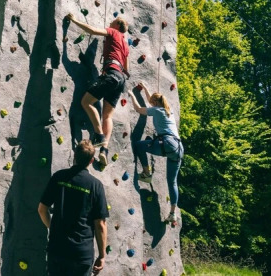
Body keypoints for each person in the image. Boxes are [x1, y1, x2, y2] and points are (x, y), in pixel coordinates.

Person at [65, 13, 129, 168]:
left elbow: (93, 31)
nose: (110, 22)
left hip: (111, 74)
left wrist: (74, 20)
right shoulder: (125, 44)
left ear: (117, 25)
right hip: (121, 78)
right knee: (107, 116)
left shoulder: (113, 32)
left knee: (86, 102)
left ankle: (99, 136)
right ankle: (104, 151)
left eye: (113, 21)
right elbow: (126, 68)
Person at [38, 140, 108, 275]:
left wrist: (53, 228)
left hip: (57, 249)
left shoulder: (59, 177)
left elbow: (42, 210)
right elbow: (100, 224)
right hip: (81, 254)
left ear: (74, 155)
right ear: (91, 161)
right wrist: (102, 256)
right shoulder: (96, 186)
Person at [128, 84, 184, 224]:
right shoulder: (168, 110)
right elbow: (150, 101)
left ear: (156, 103)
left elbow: (139, 109)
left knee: (139, 145)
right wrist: (145, 88)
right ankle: (173, 213)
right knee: (172, 182)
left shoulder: (157, 110)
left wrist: (132, 95)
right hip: (178, 148)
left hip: (167, 144)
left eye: (152, 102)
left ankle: (146, 173)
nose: (151, 104)